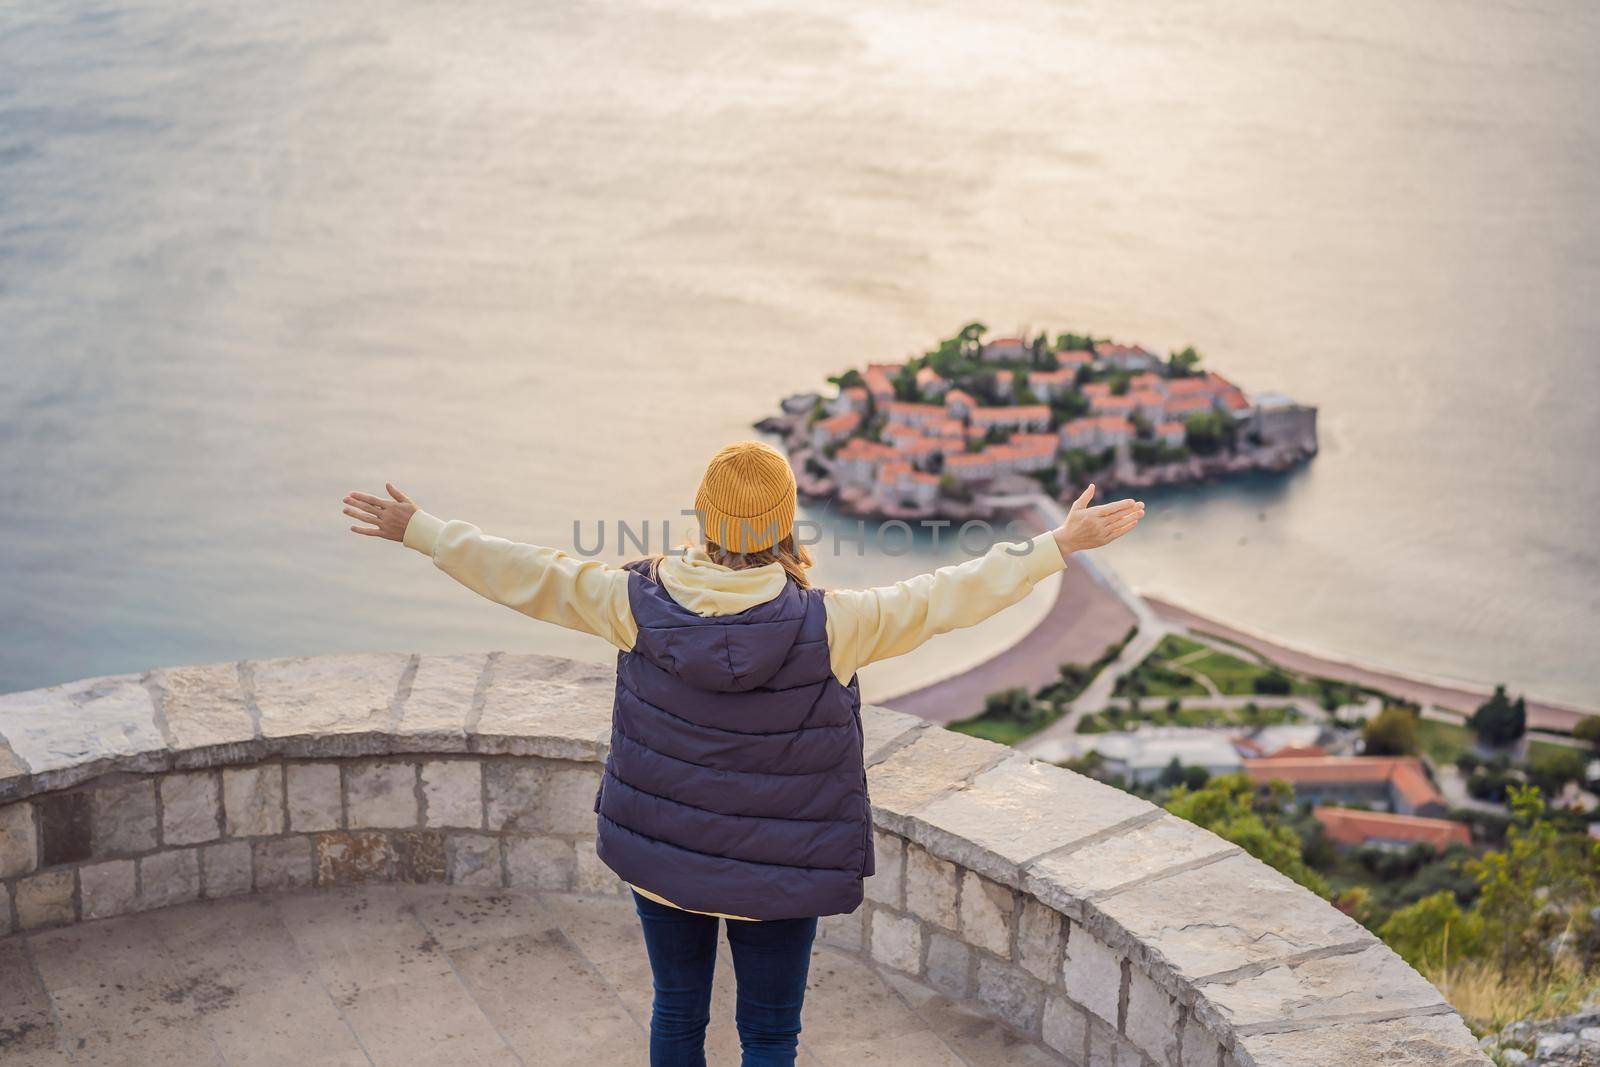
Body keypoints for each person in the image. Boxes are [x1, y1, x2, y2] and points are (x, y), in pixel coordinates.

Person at [342, 440, 1143, 1067]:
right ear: (787, 523)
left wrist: (422, 529)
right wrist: (1058, 544)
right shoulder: (835, 625)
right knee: (767, 1037)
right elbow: (949, 594)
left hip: (667, 860)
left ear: (702, 520)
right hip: (779, 872)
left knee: (675, 1014)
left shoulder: (635, 600)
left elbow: (527, 574)